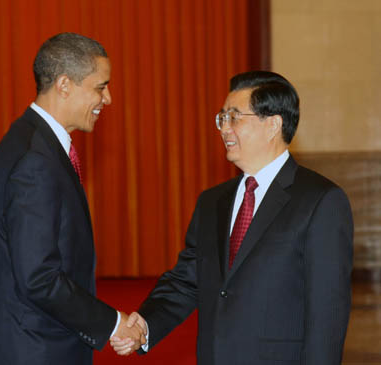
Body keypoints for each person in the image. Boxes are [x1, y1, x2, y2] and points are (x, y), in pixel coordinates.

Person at [111, 71, 353, 364]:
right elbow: (187, 281)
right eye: (221, 118)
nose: (224, 128)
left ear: (273, 124)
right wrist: (145, 325)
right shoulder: (212, 201)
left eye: (234, 117)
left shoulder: (321, 201)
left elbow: (327, 313)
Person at [0, 33, 145, 365]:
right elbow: (38, 277)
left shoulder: (30, 139)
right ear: (64, 85)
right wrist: (113, 323)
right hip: (31, 348)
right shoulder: (36, 159)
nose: (109, 99)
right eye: (100, 87)